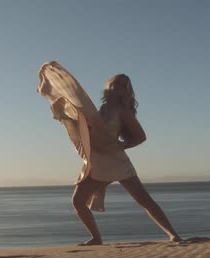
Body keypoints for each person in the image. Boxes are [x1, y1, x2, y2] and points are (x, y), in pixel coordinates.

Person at [71, 74, 182, 245]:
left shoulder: (123, 112)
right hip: (97, 161)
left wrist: (122, 146)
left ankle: (173, 234)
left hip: (116, 161)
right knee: (78, 201)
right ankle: (96, 238)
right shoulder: (102, 107)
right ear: (109, 85)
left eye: (123, 85)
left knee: (144, 199)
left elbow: (140, 137)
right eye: (116, 83)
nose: (119, 87)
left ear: (127, 91)